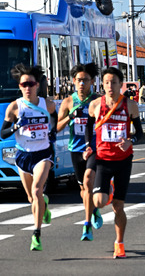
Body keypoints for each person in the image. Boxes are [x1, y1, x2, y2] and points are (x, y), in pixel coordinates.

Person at [84, 67, 143, 259]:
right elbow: (88, 126)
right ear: (102, 84)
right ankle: (105, 191)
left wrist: (130, 141)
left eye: (114, 82)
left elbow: (140, 133)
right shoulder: (95, 105)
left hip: (123, 160)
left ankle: (119, 243)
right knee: (99, 202)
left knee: (119, 206)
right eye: (107, 82)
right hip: (102, 159)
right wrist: (87, 145)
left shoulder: (130, 105)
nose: (110, 86)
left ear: (121, 84)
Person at [0, 64, 56, 252]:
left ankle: (36, 234)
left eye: (31, 84)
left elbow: (55, 120)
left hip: (43, 154)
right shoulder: (15, 107)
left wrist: (52, 132)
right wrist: (15, 127)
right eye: (23, 84)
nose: (27, 87)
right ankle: (44, 206)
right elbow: (2, 133)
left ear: (37, 85)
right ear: (19, 86)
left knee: (37, 190)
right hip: (23, 155)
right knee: (32, 198)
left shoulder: (46, 104)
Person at [56, 62, 102, 242]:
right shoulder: (68, 102)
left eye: (86, 80)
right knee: (83, 189)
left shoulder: (98, 100)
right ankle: (94, 210)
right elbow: (57, 127)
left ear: (92, 81)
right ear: (73, 81)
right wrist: (70, 116)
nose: (82, 84)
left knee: (89, 181)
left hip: (93, 148)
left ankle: (87, 225)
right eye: (79, 80)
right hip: (75, 149)